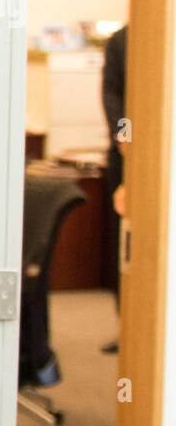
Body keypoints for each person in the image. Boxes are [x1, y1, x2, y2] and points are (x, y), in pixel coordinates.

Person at [100, 23, 127, 354]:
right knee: (124, 242)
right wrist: (125, 137)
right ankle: (128, 325)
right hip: (125, 154)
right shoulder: (122, 40)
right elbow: (112, 93)